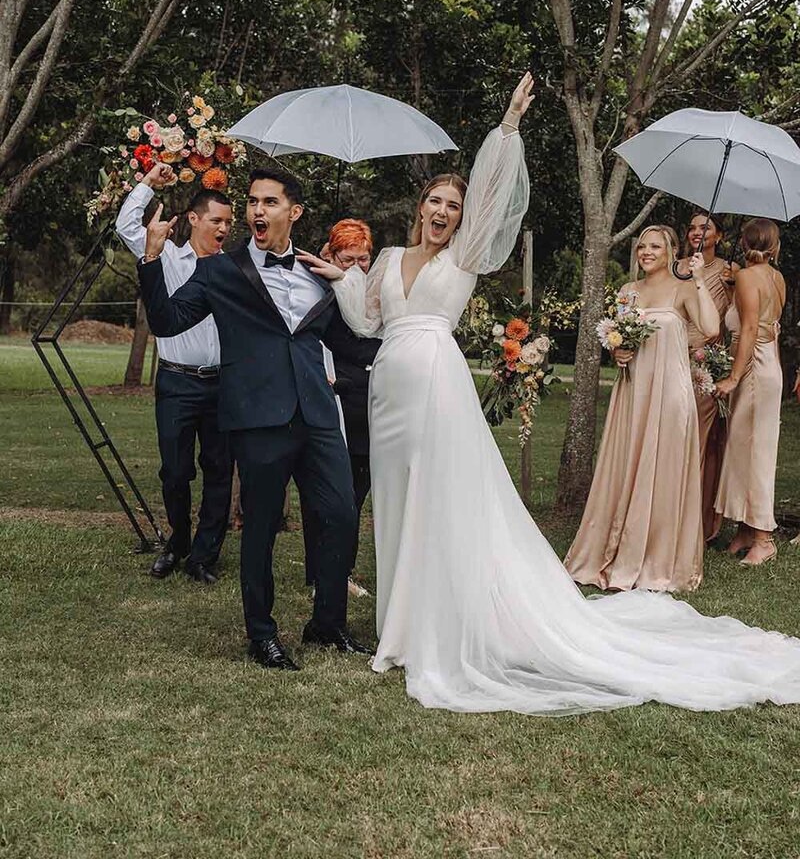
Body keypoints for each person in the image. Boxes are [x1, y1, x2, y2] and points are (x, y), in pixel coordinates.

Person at [299, 73, 800, 715]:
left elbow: (492, 196)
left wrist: (507, 129)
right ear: (419, 205)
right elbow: (368, 321)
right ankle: (399, 626)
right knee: (396, 500)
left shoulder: (465, 259)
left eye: (454, 206)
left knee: (437, 500)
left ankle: (438, 625)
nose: (444, 213)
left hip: (434, 385)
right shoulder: (391, 256)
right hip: (388, 390)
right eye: (436, 202)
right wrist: (344, 278)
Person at [137, 167, 370, 672]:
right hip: (259, 418)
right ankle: (261, 635)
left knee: (342, 515)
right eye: (252, 202)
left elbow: (349, 341)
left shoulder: (316, 272)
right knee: (261, 528)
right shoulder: (221, 270)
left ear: (295, 212)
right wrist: (152, 257)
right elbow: (167, 321)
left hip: (318, 413)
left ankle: (327, 624)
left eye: (269, 202)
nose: (257, 211)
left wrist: (350, 284)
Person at [565, 226, 719, 593]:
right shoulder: (627, 293)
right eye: (642, 246)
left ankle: (656, 557)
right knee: (626, 466)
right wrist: (618, 352)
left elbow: (711, 327)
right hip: (632, 394)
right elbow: (618, 338)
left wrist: (699, 278)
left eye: (655, 246)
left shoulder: (684, 288)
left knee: (662, 469)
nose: (646, 252)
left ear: (671, 251)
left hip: (669, 396)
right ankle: (615, 547)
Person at [116, 164, 233, 584]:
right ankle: (178, 543)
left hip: (222, 384)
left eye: (229, 222)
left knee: (219, 471)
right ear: (194, 219)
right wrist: (148, 184)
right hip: (177, 382)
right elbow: (125, 224)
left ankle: (204, 556)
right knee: (175, 471)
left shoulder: (233, 269)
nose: (224, 228)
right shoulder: (165, 254)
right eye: (217, 220)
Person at [303, 220, 381, 598]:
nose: (356, 268)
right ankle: (323, 574)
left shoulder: (376, 293)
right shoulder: (322, 293)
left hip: (371, 409)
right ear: (330, 255)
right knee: (332, 498)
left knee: (356, 496)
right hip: (334, 404)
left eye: (363, 259)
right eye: (347, 259)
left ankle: (340, 571)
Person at [714, 218, 786, 567]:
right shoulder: (776, 278)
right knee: (743, 447)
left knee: (755, 451)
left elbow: (748, 329)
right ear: (774, 246)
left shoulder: (746, 275)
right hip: (769, 366)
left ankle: (764, 538)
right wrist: (731, 290)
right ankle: (744, 529)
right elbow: (757, 316)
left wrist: (733, 376)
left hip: (755, 369)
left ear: (744, 242)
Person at [676, 212, 737, 542]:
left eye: (706, 227)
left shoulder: (730, 272)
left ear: (719, 236)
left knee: (698, 443)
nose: (697, 232)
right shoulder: (676, 267)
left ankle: (696, 524)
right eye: (693, 227)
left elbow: (740, 319)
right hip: (670, 358)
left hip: (704, 364)